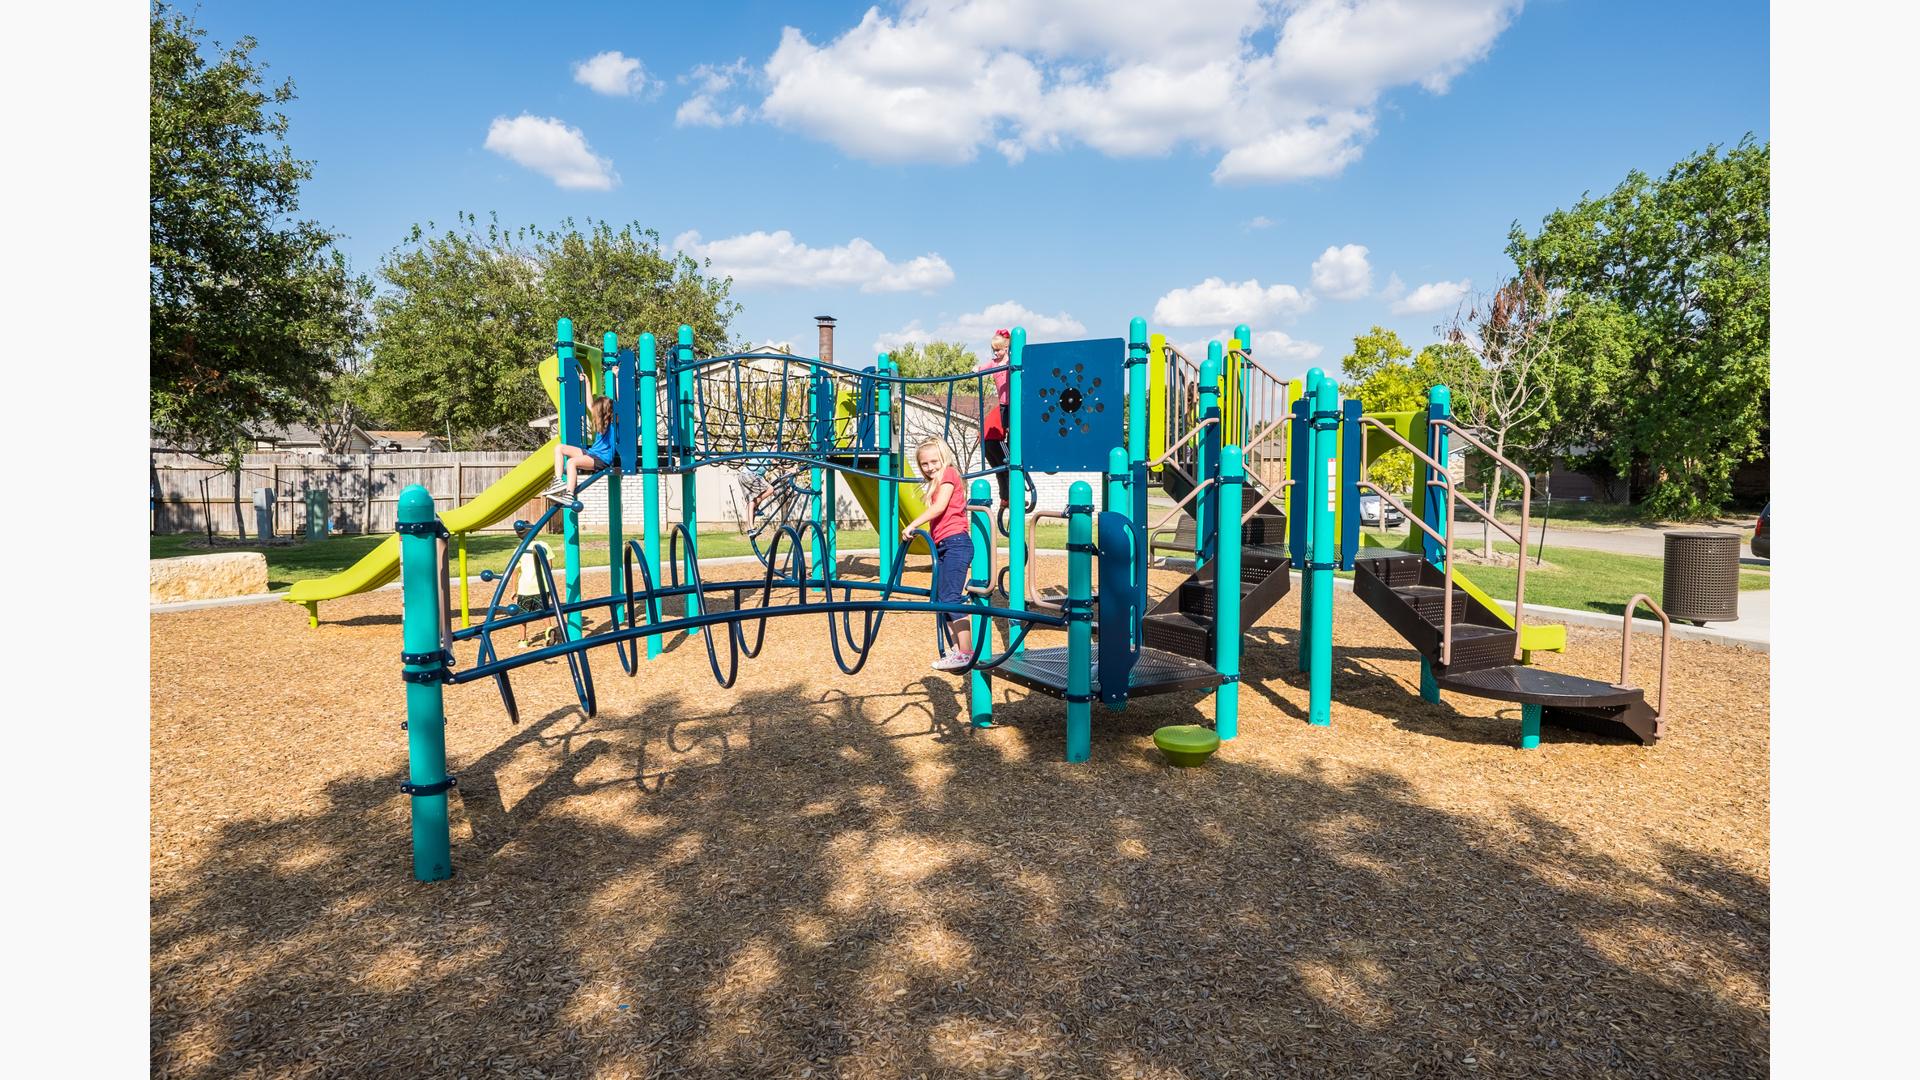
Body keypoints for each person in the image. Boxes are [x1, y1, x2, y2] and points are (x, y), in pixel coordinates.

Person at [900, 438, 975, 672]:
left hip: (956, 544)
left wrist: (912, 525)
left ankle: (966, 652)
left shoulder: (950, 474)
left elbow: (940, 507)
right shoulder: (937, 481)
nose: (930, 467)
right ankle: (957, 650)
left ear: (944, 459)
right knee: (941, 600)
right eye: (924, 464)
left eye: (934, 461)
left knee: (951, 598)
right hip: (945, 545)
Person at [547, 394, 616, 504]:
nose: (594, 413)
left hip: (601, 459)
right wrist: (587, 383)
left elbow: (620, 403)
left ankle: (569, 495)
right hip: (591, 453)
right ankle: (558, 481)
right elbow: (589, 404)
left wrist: (617, 380)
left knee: (571, 462)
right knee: (559, 448)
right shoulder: (600, 422)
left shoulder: (613, 424)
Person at [973, 329, 1012, 509]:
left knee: (1002, 469)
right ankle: (1008, 497)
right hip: (994, 434)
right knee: (1006, 467)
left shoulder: (1011, 362)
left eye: (999, 349)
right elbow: (982, 369)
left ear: (1007, 348)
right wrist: (976, 370)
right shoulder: (996, 363)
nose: (996, 353)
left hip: (1010, 404)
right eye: (994, 350)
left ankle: (1006, 498)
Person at [509, 521, 556, 648]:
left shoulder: (519, 549)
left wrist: (513, 589)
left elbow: (515, 572)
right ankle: (548, 630)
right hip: (543, 586)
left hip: (525, 587)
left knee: (522, 615)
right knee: (545, 610)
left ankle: (523, 639)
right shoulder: (544, 545)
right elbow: (549, 566)